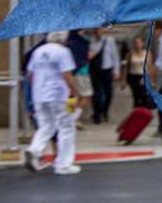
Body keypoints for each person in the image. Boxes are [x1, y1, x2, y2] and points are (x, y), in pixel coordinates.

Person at [22, 31, 82, 175]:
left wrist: (37, 87)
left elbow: (30, 74)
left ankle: (34, 149)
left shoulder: (37, 51)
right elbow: (67, 74)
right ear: (64, 39)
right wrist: (74, 92)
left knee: (46, 126)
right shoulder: (63, 52)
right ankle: (63, 164)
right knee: (66, 127)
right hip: (57, 94)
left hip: (39, 95)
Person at [91, 27, 120, 124]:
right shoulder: (91, 42)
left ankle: (105, 111)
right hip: (95, 70)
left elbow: (115, 56)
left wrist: (116, 71)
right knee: (96, 94)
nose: (98, 32)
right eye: (96, 30)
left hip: (107, 69)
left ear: (103, 30)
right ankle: (97, 114)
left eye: (100, 30)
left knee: (109, 93)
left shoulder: (109, 41)